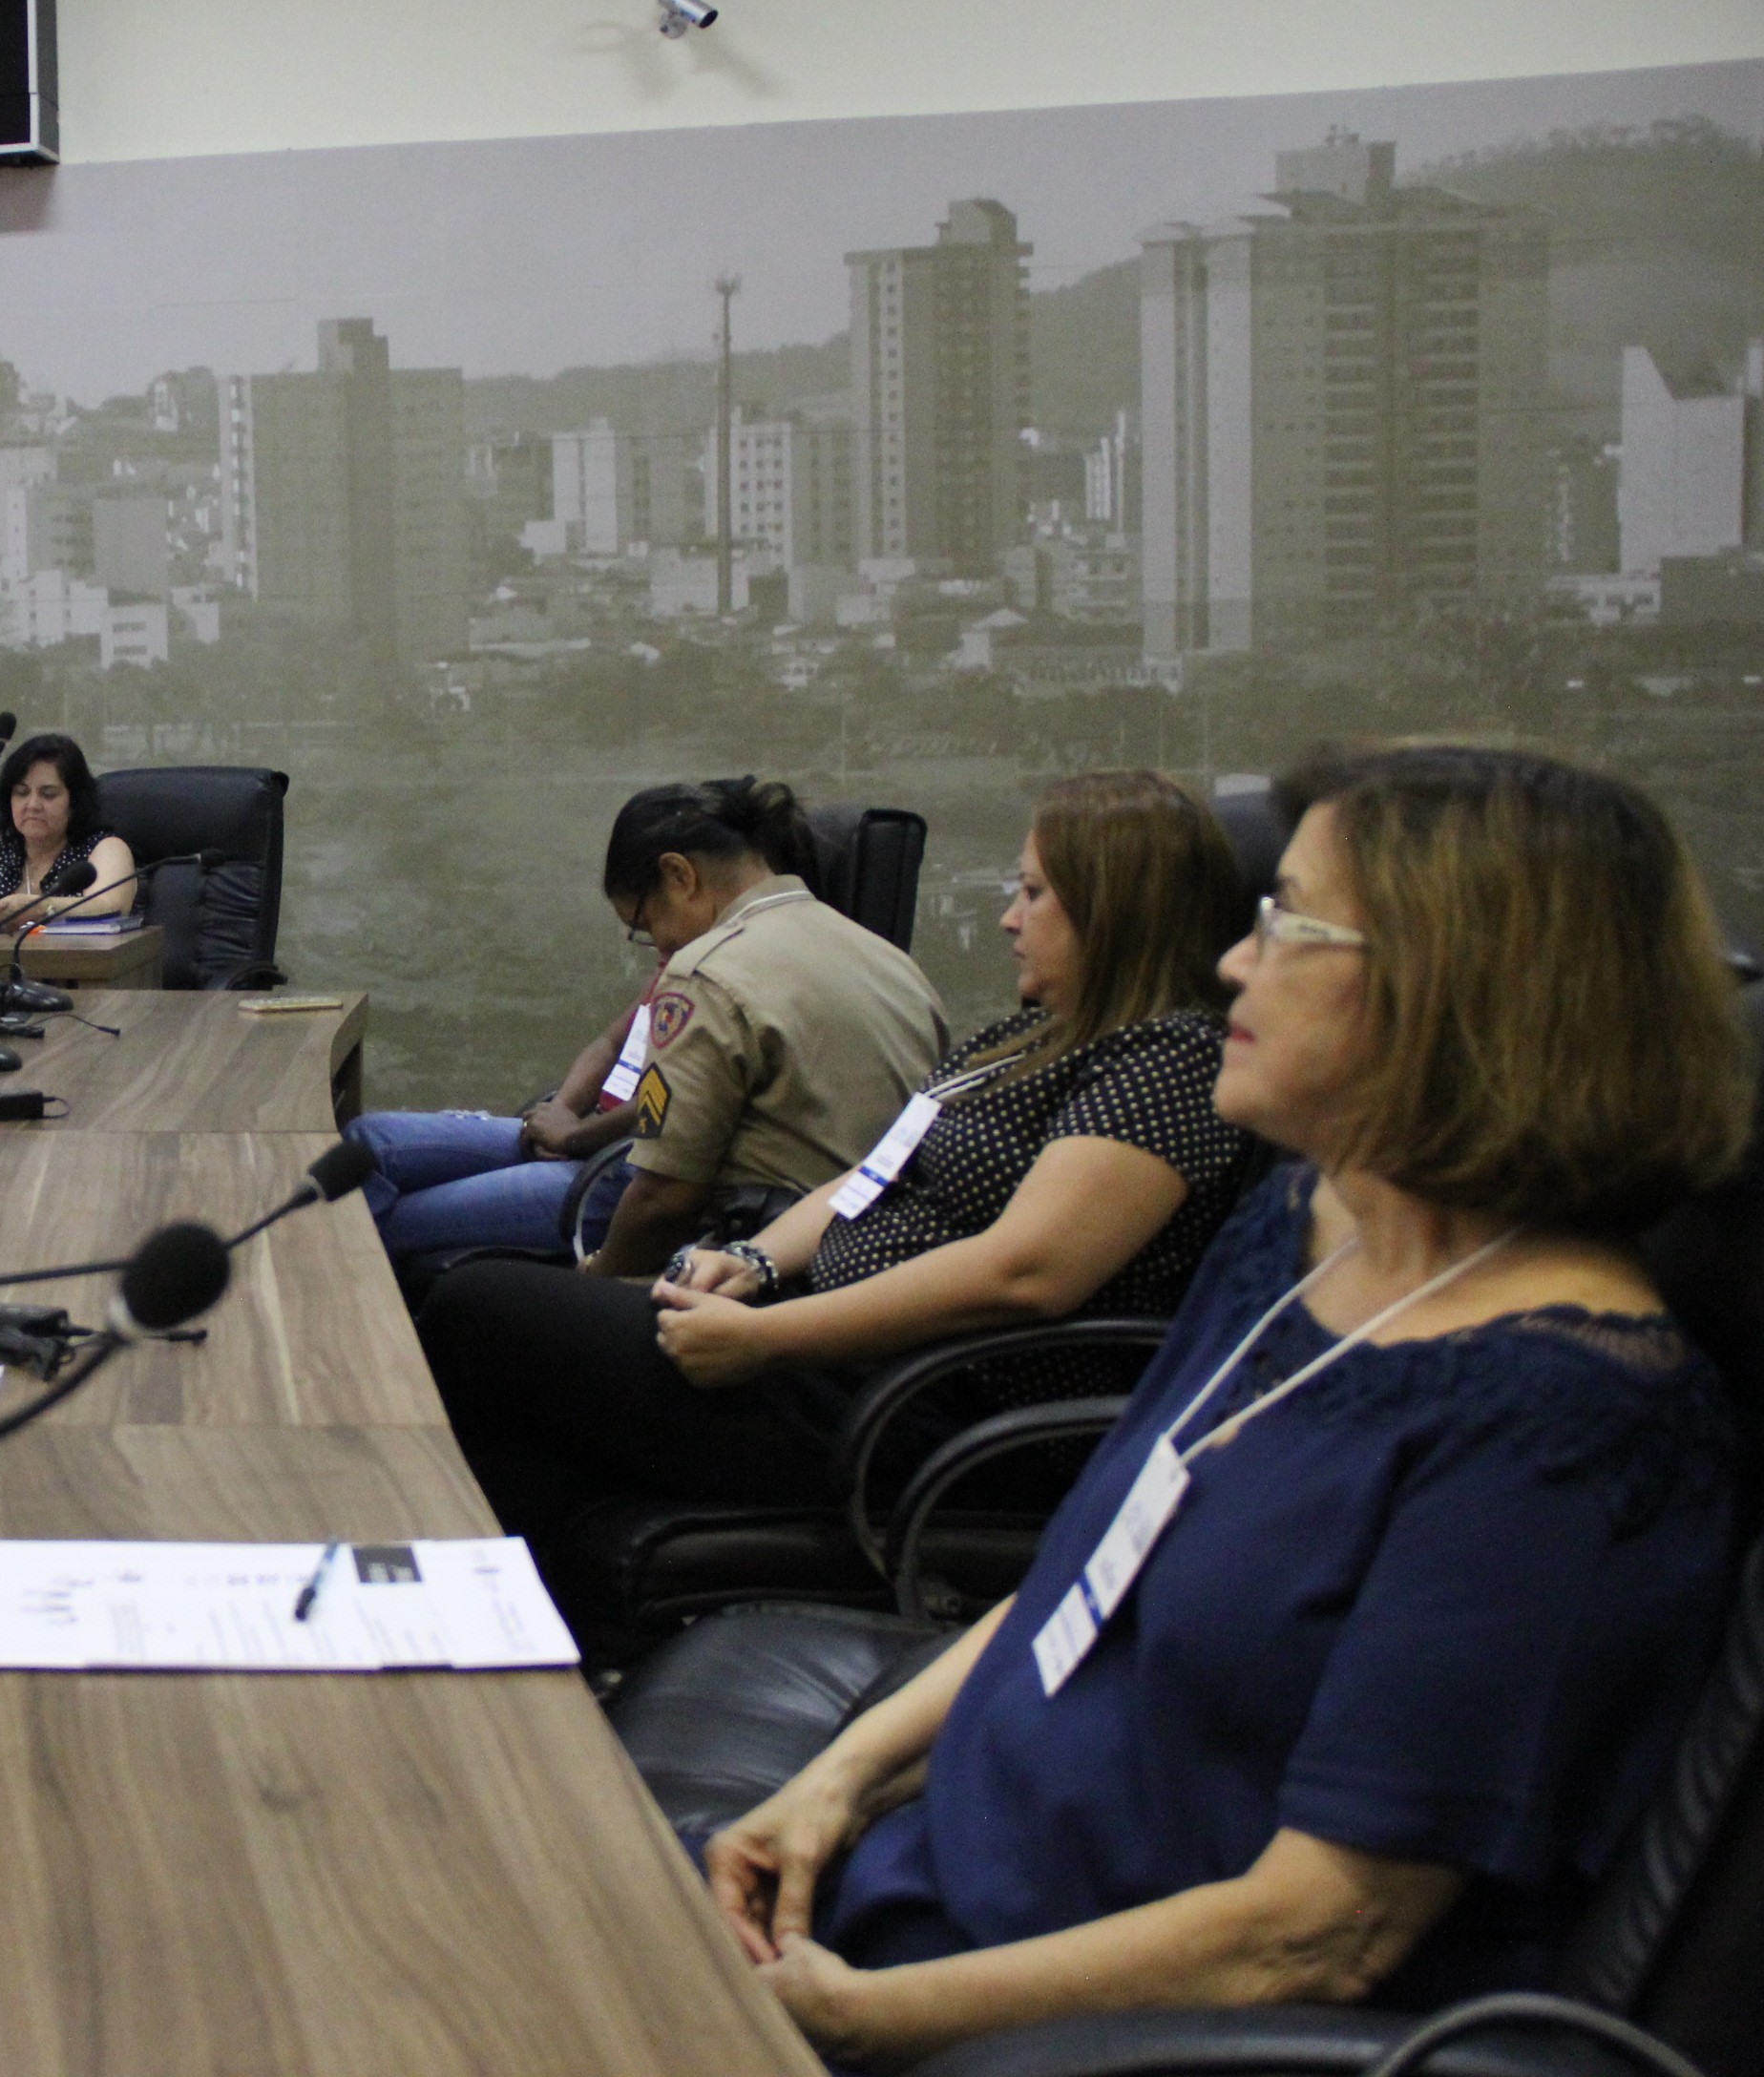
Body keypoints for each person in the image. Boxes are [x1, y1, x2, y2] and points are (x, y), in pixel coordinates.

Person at [705, 745, 1749, 2065]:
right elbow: (1084, 1577)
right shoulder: (1303, 1238)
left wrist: (856, 2018)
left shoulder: (1560, 1429)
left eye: (1288, 925)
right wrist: (829, 1786)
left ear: (1456, 990)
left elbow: (1316, 1934)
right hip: (920, 1879)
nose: (1238, 967)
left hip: (1053, 2019)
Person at [421, 770, 1258, 1544]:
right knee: (515, 1384)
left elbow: (1027, 1272)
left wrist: (771, 1338)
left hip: (914, 1398)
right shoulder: (1025, 1038)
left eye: (1035, 893)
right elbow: (873, 1174)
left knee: (475, 1303)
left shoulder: (1167, 1061)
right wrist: (751, 1262)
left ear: (1115, 909)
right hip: (825, 1341)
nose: (1009, 916)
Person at [350, 779, 943, 1269]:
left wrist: (596, 1282)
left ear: (680, 876)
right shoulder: (893, 964)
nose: (654, 943)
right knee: (368, 1146)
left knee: (375, 1225)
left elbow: (663, 1200)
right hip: (848, 1242)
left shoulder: (710, 972)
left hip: (726, 1232)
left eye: (643, 921)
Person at [0, 730, 138, 928]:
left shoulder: (106, 849)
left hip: (83, 966)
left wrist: (39, 907)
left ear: (75, 801)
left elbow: (110, 905)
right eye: (22, 793)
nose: (32, 805)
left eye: (48, 794)